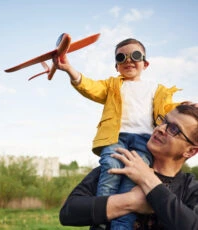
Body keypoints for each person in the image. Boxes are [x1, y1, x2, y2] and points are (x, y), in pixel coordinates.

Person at [53, 38, 182, 229]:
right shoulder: (112, 85)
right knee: (110, 170)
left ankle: (122, 226)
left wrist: (187, 106)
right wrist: (71, 70)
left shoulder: (157, 89)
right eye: (122, 57)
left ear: (145, 63)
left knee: (132, 181)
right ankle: (102, 221)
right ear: (116, 66)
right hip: (116, 138)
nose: (129, 60)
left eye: (135, 56)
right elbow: (91, 87)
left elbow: (171, 110)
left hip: (144, 141)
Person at [59, 104, 198, 229]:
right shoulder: (122, 161)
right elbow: (68, 212)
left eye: (174, 129)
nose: (161, 128)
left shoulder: (190, 188)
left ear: (190, 151)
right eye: (164, 121)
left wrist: (148, 180)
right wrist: (129, 201)